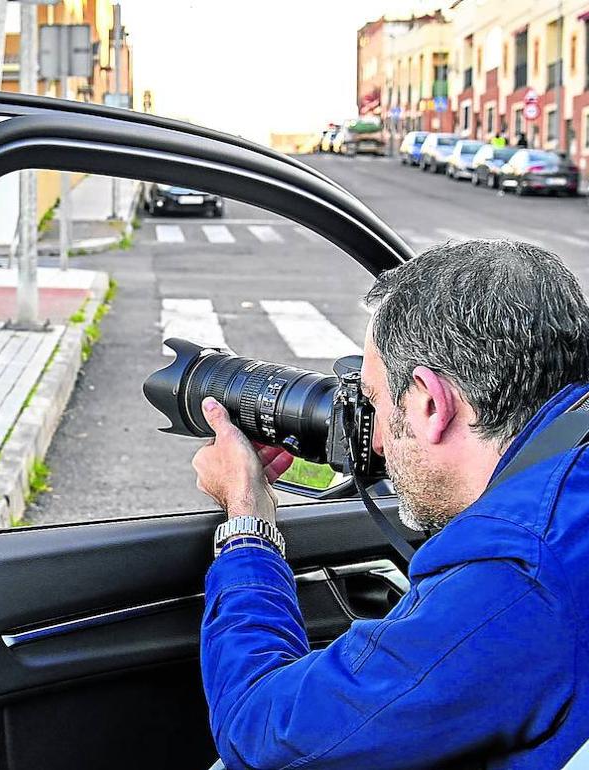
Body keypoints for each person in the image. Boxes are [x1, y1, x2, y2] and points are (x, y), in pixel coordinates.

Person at [192, 240, 589, 769]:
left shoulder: (516, 573)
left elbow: (261, 737)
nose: (374, 440)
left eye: (376, 402)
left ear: (429, 403)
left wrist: (247, 523)